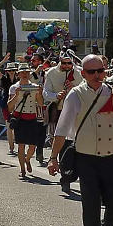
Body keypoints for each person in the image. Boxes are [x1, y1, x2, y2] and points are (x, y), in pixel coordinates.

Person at [49, 54, 113, 226]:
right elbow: (62, 129)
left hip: (112, 157)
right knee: (90, 207)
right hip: (86, 158)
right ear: (82, 74)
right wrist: (53, 158)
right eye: (91, 72)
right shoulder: (76, 94)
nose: (96, 76)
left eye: (100, 71)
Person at [42, 54, 77, 190]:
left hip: (76, 113)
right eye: (64, 63)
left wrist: (75, 87)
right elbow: (46, 92)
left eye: (69, 63)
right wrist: (56, 96)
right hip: (59, 110)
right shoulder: (51, 73)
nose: (67, 66)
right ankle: (65, 176)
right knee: (62, 144)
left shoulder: (79, 73)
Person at [7, 64, 45, 179]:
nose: (25, 74)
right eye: (22, 72)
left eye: (27, 72)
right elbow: (9, 107)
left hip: (32, 117)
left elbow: (41, 103)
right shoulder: (14, 87)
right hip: (20, 118)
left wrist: (39, 93)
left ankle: (27, 159)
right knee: (21, 145)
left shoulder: (34, 86)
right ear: (18, 74)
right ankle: (22, 169)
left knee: (33, 145)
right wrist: (17, 95)